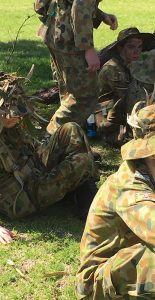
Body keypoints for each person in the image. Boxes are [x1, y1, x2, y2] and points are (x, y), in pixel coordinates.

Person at [0, 71, 98, 245]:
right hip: (24, 197)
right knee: (82, 161)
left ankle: (83, 188)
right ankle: (85, 195)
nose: (17, 116)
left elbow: (31, 151)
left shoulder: (12, 127)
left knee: (71, 128)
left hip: (33, 172)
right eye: (10, 111)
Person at [76, 52, 155, 299]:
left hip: (127, 254)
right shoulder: (130, 185)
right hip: (97, 281)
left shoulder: (149, 170)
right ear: (149, 155)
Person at [35, 0, 118, 135]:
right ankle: (52, 138)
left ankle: (68, 144)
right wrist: (88, 49)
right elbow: (80, 5)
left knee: (69, 93)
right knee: (84, 95)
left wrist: (101, 15)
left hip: (57, 32)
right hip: (69, 41)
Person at [97, 27, 155, 144]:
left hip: (121, 113)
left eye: (139, 47)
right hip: (110, 122)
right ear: (120, 48)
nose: (137, 51)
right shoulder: (114, 69)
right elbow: (132, 101)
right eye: (131, 47)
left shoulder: (129, 63)